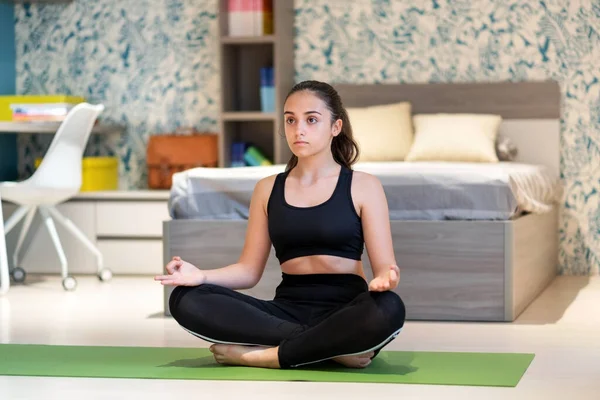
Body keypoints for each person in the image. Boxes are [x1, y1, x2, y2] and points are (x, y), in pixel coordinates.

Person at [155, 80, 406, 369]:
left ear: (335, 127)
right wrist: (201, 276)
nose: (299, 129)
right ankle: (331, 348)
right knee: (185, 299)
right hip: (285, 313)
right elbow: (248, 271)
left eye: (311, 120)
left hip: (346, 311)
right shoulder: (267, 189)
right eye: (290, 120)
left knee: (389, 308)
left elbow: (385, 268)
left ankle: (265, 356)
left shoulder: (364, 186)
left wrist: (385, 280)